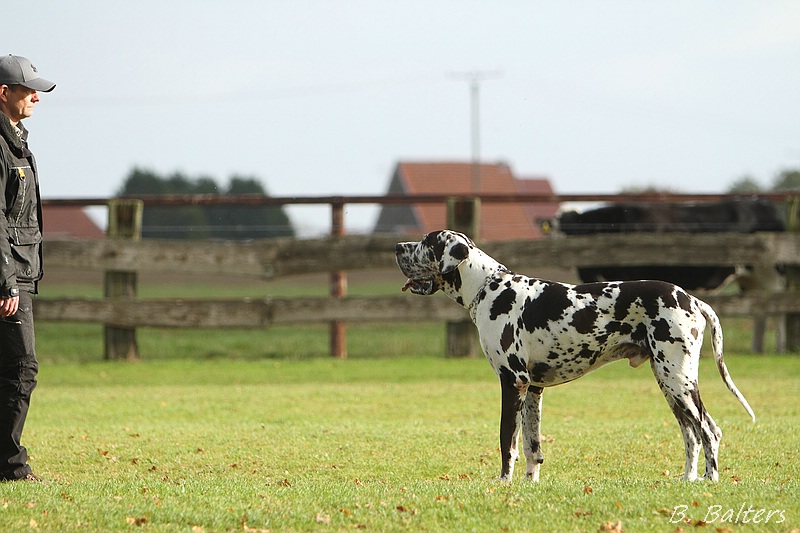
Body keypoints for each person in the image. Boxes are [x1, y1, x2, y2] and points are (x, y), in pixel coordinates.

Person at [0, 54, 55, 482]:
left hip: (16, 272)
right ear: (4, 93)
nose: (36, 96)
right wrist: (6, 282)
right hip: (9, 275)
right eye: (28, 89)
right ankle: (11, 466)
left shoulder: (14, 141)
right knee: (22, 367)